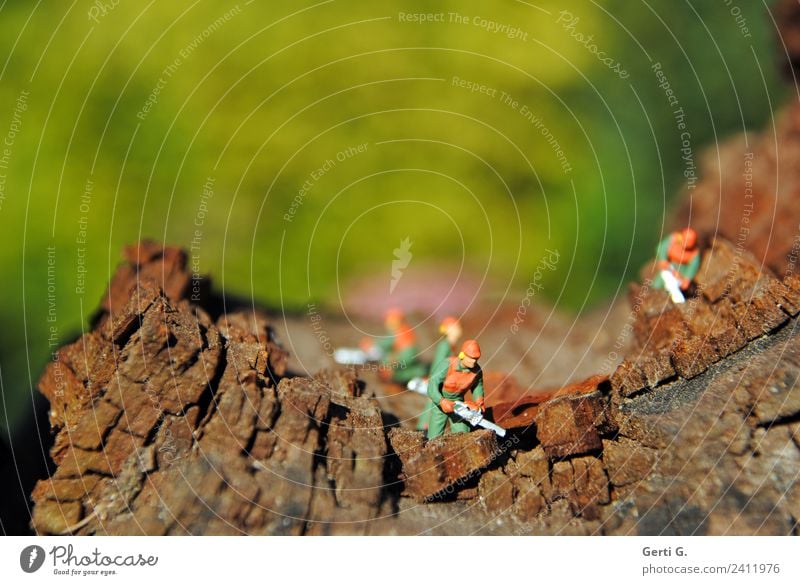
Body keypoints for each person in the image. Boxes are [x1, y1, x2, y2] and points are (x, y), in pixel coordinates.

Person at [426, 339, 485, 439]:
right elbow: (432, 385)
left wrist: (479, 403)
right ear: (462, 355)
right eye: (471, 358)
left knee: (462, 434)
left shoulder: (476, 371)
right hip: (441, 402)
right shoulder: (447, 365)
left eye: (476, 358)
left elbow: (478, 386)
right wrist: (442, 402)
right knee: (434, 436)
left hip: (459, 404)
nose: (474, 361)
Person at [417, 317, 463, 431]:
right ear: (449, 330)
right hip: (439, 378)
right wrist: (434, 378)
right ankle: (423, 427)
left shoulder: (450, 345)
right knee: (432, 401)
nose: (459, 329)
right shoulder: (444, 346)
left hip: (445, 379)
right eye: (456, 327)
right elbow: (438, 362)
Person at [366, 308, 427, 384]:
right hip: (406, 352)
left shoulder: (400, 330)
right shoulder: (404, 329)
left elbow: (387, 342)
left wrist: (372, 342)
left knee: (393, 364)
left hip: (406, 352)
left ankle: (402, 376)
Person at [652, 227, 701, 303]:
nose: (686, 242)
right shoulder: (673, 239)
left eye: (690, 241)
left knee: (677, 291)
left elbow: (693, 267)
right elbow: (661, 248)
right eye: (686, 239)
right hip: (668, 267)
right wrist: (663, 259)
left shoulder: (694, 253)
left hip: (680, 272)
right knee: (657, 285)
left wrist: (687, 279)